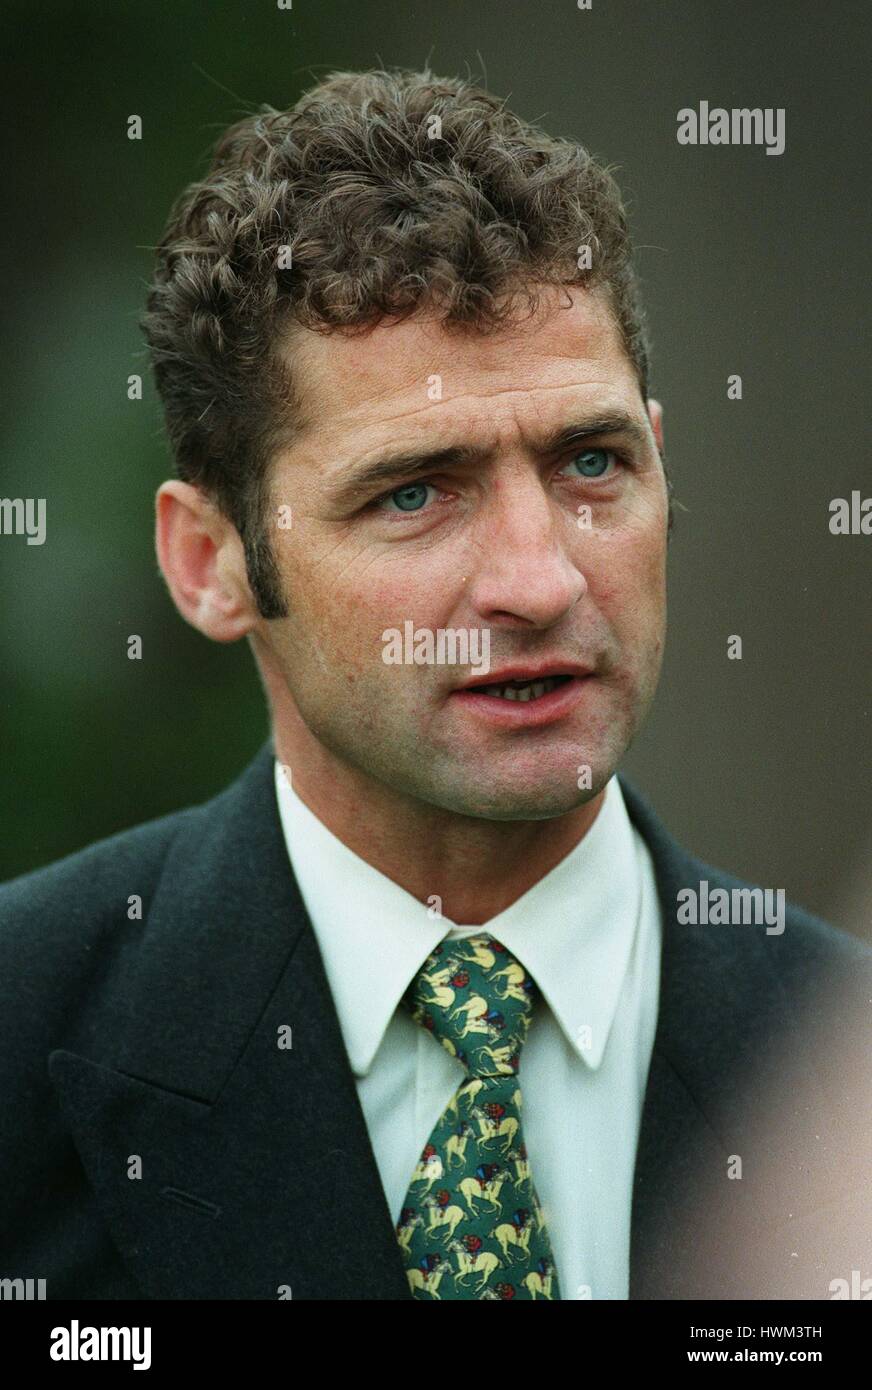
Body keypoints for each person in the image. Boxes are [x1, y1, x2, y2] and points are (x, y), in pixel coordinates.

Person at [1, 67, 869, 1302]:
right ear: (211, 562)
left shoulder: (839, 1072)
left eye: (588, 462)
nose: (540, 578)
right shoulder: (26, 1037)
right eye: (413, 491)